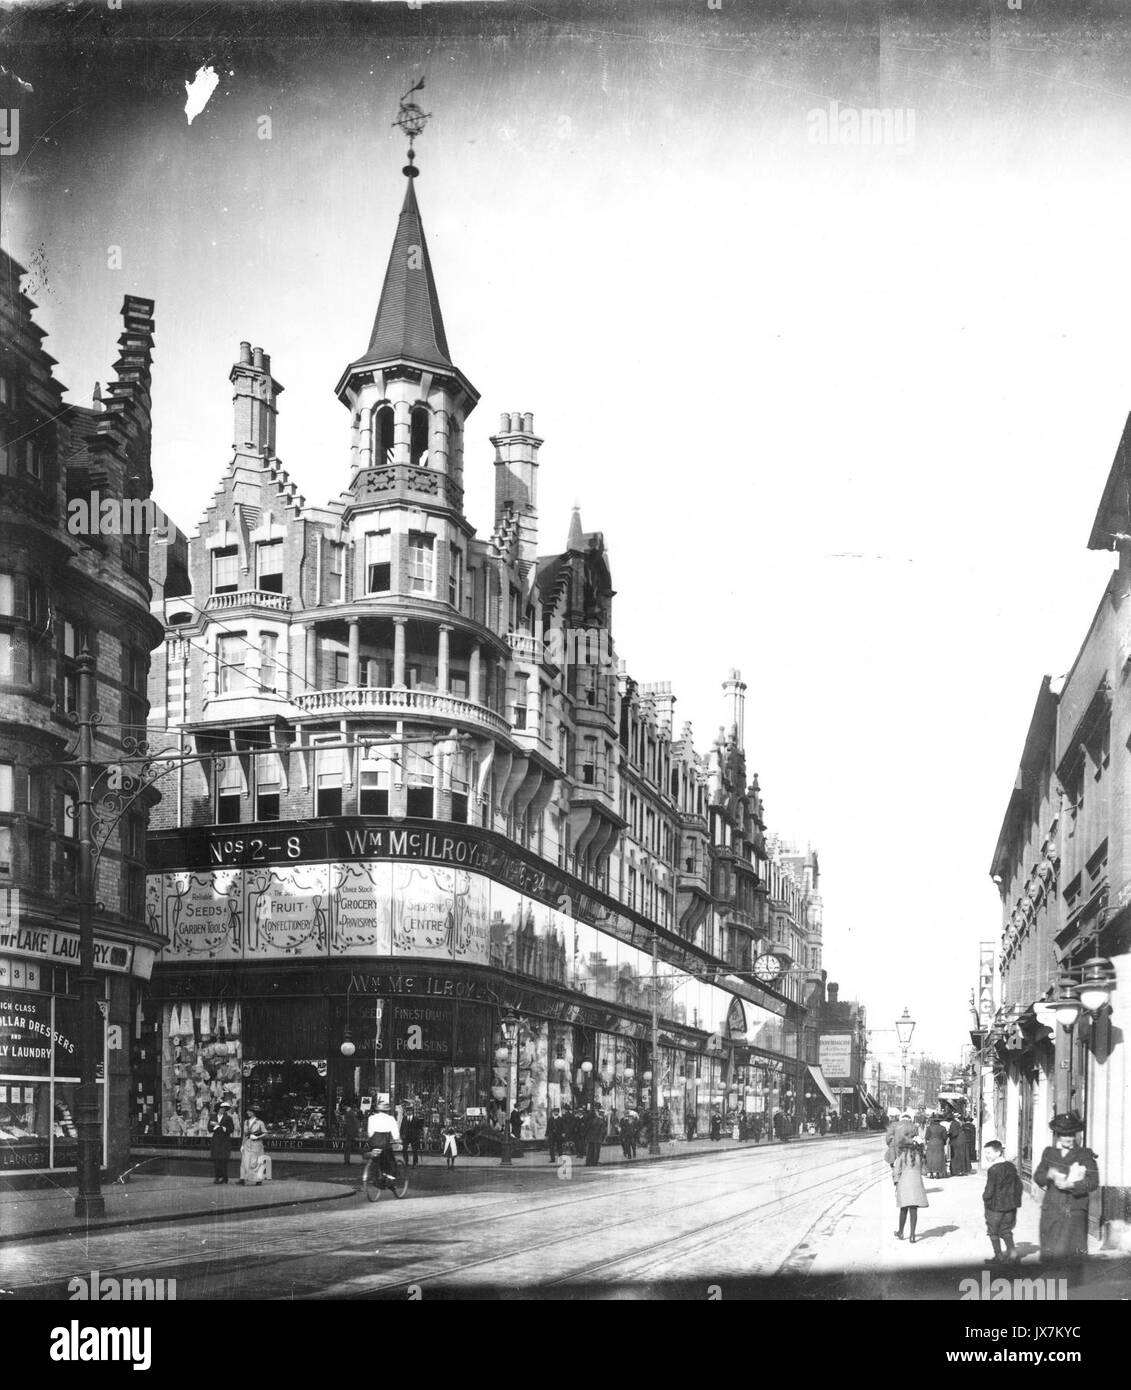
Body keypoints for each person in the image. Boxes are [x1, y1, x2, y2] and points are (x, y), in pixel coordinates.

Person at [1033, 1111, 1099, 1263]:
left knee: (1072, 1256)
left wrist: (1072, 1184)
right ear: (1057, 1135)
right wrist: (1048, 1174)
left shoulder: (1085, 1154)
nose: (1068, 1138)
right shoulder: (1049, 1153)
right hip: (1052, 1210)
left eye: (1071, 1135)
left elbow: (1093, 1181)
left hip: (1074, 1211)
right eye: (1064, 1135)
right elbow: (1038, 1177)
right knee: (1050, 1253)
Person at [981, 1139, 1023, 1264]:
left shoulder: (993, 1169)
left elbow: (989, 1190)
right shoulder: (1011, 1166)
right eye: (986, 1153)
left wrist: (985, 1198)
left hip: (995, 1207)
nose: (986, 1156)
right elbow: (1019, 1186)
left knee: (993, 1230)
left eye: (989, 1153)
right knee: (1006, 1230)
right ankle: (1013, 1255)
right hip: (1010, 1206)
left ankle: (998, 1256)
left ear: (998, 1152)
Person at [892, 1138, 929, 1243]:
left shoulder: (903, 1154)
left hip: (904, 1183)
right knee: (913, 1210)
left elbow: (896, 1170)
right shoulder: (920, 1155)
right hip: (916, 1183)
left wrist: (896, 1181)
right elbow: (924, 1171)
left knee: (903, 1209)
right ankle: (912, 1235)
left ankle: (901, 1232)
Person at [366, 1099, 403, 1181]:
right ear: (387, 1110)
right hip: (384, 1143)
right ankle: (391, 1176)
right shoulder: (390, 1119)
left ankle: (375, 1173)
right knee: (390, 1159)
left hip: (373, 1143)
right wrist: (397, 1140)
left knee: (377, 1158)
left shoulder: (371, 1118)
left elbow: (369, 1133)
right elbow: (395, 1133)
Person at [239, 1105, 267, 1185]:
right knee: (244, 1161)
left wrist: (257, 1136)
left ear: (254, 1113)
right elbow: (245, 1134)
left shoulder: (260, 1122)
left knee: (255, 1162)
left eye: (249, 1111)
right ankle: (242, 1178)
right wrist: (242, 1145)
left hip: (256, 1144)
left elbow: (265, 1133)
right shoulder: (246, 1122)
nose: (247, 1112)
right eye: (248, 1111)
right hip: (247, 1143)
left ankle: (258, 1179)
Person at [209, 1100, 236, 1183]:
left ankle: (224, 1176)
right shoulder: (213, 1117)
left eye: (224, 1108)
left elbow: (231, 1129)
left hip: (225, 1140)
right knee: (216, 1158)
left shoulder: (228, 1118)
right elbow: (209, 1128)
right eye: (221, 1108)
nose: (223, 1110)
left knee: (224, 1159)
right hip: (216, 1140)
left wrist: (222, 1128)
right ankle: (217, 1176)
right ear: (218, 1109)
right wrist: (214, 1128)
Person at [924, 1114, 948, 1180]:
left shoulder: (929, 1128)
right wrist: (944, 1142)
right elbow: (945, 1137)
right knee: (939, 1158)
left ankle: (931, 1173)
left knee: (930, 1158)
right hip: (939, 1143)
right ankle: (938, 1173)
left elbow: (927, 1137)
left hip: (931, 1143)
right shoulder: (943, 1128)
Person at [341, 1101, 362, 1166]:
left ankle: (346, 1161)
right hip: (351, 1132)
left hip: (350, 1132)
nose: (342, 1107)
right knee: (349, 1147)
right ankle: (347, 1161)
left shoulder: (350, 1113)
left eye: (343, 1106)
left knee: (348, 1147)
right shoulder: (350, 1112)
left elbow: (355, 1122)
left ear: (346, 1106)